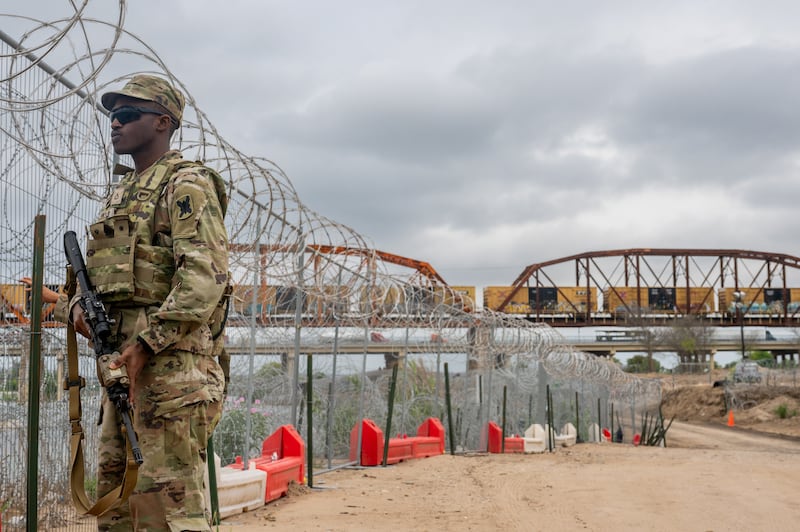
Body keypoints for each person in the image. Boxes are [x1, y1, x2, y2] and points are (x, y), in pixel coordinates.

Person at [64, 74, 229, 531]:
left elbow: (204, 277)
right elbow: (89, 279)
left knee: (167, 513)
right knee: (116, 510)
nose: (114, 124)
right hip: (121, 371)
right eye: (111, 116)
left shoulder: (186, 184)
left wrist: (146, 345)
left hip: (170, 375)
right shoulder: (119, 195)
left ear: (162, 121)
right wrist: (75, 307)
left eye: (126, 115)